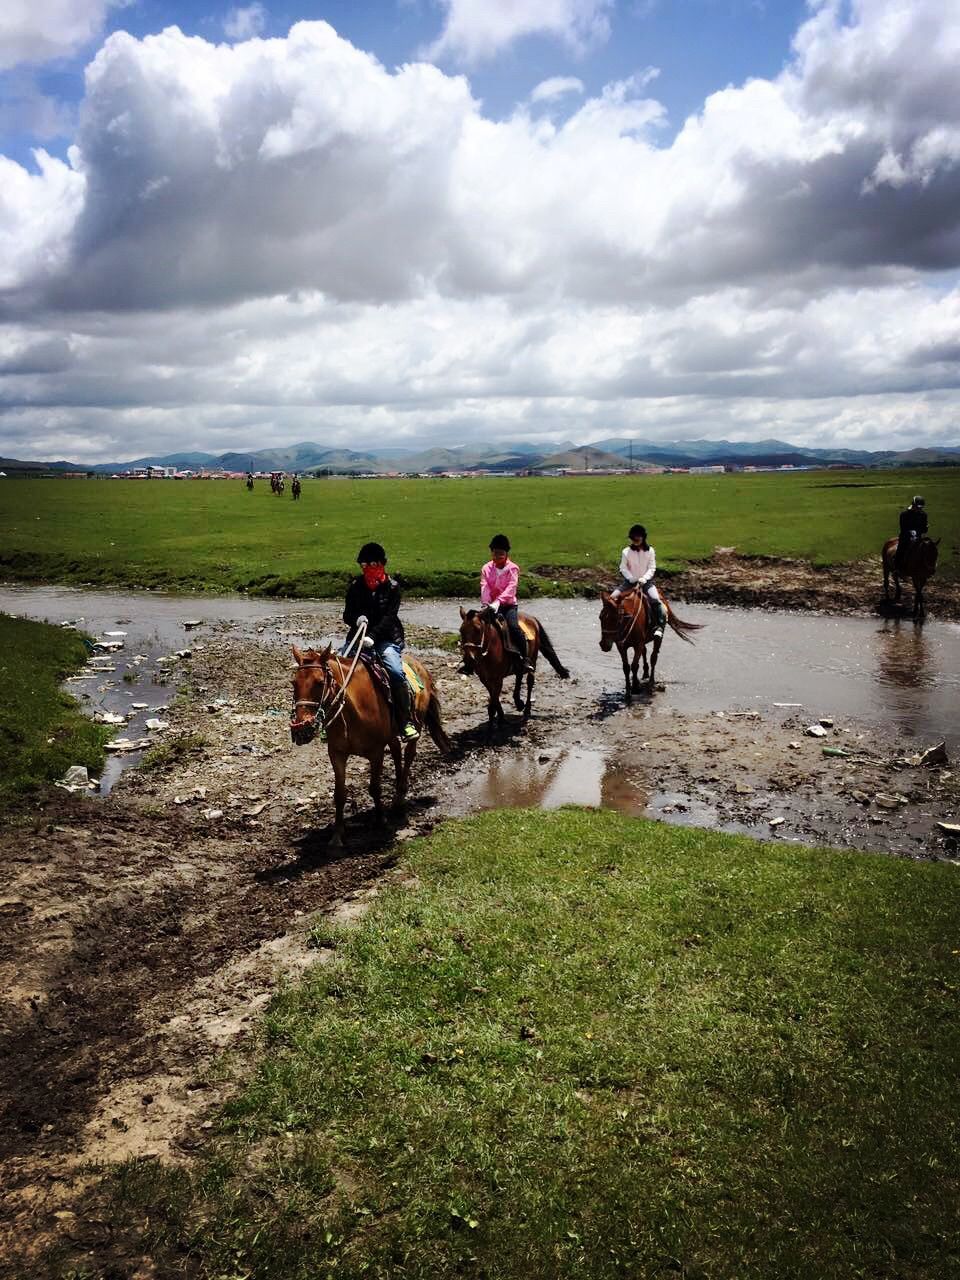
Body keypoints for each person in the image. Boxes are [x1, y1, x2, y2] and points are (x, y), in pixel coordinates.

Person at [343, 541, 419, 740]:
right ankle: (332, 722)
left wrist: (372, 636)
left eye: (372, 565)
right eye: (364, 566)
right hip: (357, 638)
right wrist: (356, 619)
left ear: (382, 564)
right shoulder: (355, 586)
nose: (368, 569)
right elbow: (347, 614)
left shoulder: (393, 588)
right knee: (336, 668)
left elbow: (389, 617)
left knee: (395, 671)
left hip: (386, 638)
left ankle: (405, 721)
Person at [480, 533, 531, 671]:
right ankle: (471, 660)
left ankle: (525, 658)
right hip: (490, 606)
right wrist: (486, 604)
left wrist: (498, 602)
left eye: (501, 554)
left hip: (508, 606)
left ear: (506, 554)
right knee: (476, 627)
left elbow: (511, 588)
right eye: (495, 553)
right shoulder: (486, 568)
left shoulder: (512, 569)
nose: (498, 557)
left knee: (514, 627)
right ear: (492, 553)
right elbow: (485, 586)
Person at [610, 524, 667, 639]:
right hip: (629, 583)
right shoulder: (626, 552)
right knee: (611, 598)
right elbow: (623, 568)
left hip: (646, 583)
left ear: (643, 538)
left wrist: (644, 579)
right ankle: (612, 627)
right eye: (633, 538)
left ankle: (659, 626)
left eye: (637, 538)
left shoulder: (650, 551)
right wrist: (631, 578)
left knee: (656, 600)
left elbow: (652, 568)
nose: (635, 540)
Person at [896, 495, 928, 572]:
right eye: (918, 507)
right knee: (901, 549)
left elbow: (924, 529)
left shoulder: (923, 515)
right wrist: (911, 532)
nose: (919, 509)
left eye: (921, 508)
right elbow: (903, 528)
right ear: (913, 505)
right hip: (906, 537)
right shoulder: (904, 515)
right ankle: (897, 568)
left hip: (918, 538)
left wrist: (925, 528)